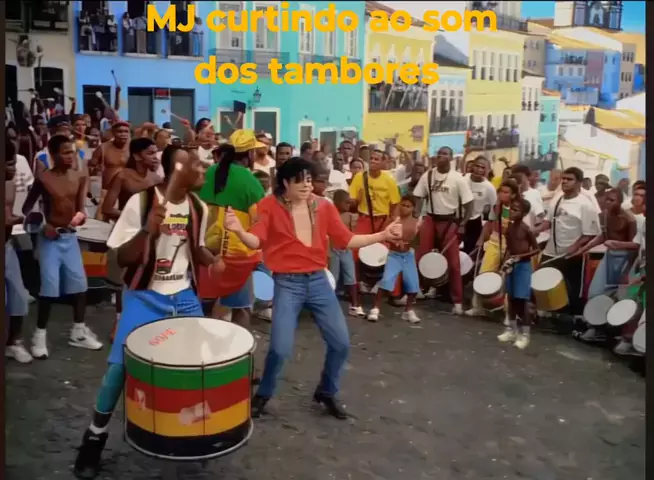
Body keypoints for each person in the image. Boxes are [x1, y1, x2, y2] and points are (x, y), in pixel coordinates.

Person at [73, 144, 224, 479]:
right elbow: (122, 258)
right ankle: (94, 438)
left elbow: (196, 247)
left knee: (196, 365)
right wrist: (147, 231)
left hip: (183, 296)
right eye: (197, 166)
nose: (204, 171)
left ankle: (185, 431)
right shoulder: (141, 203)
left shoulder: (199, 206)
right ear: (178, 169)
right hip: (145, 296)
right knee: (119, 367)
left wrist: (213, 259)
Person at [223, 157, 402, 419]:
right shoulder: (269, 206)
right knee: (280, 348)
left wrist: (383, 236)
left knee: (341, 343)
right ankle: (263, 394)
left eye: (309, 179)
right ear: (285, 183)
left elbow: (346, 240)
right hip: (287, 282)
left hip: (318, 280)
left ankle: (326, 391)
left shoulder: (323, 206)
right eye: (300, 181)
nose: (307, 185)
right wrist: (239, 230)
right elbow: (256, 241)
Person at [22, 135, 100, 359]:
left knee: (80, 285)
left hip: (70, 237)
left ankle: (78, 332)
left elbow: (80, 209)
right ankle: (39, 336)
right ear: (53, 154)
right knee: (49, 288)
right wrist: (43, 226)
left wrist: (80, 217)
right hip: (50, 240)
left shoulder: (79, 176)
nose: (70, 156)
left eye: (72, 152)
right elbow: (27, 208)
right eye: (65, 152)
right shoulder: (44, 178)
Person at [198, 130, 266, 328]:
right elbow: (259, 220)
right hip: (236, 251)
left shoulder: (212, 171)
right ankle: (240, 344)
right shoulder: (250, 181)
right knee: (241, 307)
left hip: (206, 247)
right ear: (250, 154)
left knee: (212, 303)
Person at [101, 137, 161, 341]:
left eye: (156, 153)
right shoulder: (122, 176)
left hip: (149, 236)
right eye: (150, 153)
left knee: (147, 279)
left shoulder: (156, 179)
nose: (155, 157)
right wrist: (136, 218)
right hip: (126, 234)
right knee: (122, 282)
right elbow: (107, 208)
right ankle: (119, 323)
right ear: (137, 156)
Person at [534, 167, 601, 321]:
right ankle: (546, 315)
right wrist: (534, 230)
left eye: (569, 179)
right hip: (551, 251)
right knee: (543, 282)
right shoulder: (557, 198)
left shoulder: (585, 205)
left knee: (569, 289)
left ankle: (568, 320)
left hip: (571, 255)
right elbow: (548, 221)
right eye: (563, 178)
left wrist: (575, 246)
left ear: (579, 183)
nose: (564, 182)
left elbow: (590, 233)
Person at [413, 147, 473, 312]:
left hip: (450, 221)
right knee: (420, 256)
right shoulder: (428, 175)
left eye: (445, 153)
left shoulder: (458, 179)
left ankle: (457, 302)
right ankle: (416, 290)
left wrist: (463, 223)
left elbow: (469, 204)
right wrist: (416, 215)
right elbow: (418, 196)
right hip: (431, 218)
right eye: (439, 153)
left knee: (453, 263)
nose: (441, 155)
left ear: (451, 158)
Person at [465, 180, 519, 318]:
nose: (502, 195)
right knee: (483, 273)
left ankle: (508, 312)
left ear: (513, 195)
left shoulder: (518, 209)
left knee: (507, 278)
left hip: (511, 245)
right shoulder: (496, 207)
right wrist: (481, 239)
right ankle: (477, 306)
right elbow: (489, 224)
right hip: (495, 243)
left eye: (506, 192)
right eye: (500, 191)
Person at [367, 195, 421, 324]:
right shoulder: (393, 220)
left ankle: (408, 310)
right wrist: (395, 241)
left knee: (413, 284)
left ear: (413, 208)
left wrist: (410, 244)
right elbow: (384, 236)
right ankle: (375, 308)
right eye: (403, 205)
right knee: (386, 281)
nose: (404, 208)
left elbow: (417, 241)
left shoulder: (416, 222)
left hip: (408, 256)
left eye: (408, 206)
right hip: (394, 255)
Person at [576, 188, 638, 299]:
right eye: (607, 199)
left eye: (612, 200)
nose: (608, 202)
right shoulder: (605, 215)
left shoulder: (629, 219)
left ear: (619, 202)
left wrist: (618, 245)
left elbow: (635, 246)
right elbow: (603, 236)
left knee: (620, 294)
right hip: (609, 255)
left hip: (625, 258)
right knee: (595, 292)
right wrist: (584, 248)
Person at [497, 198, 540, 349]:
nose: (512, 212)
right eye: (511, 209)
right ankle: (512, 330)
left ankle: (525, 335)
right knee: (511, 299)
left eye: (516, 210)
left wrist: (520, 257)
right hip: (511, 265)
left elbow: (536, 249)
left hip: (523, 266)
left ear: (524, 213)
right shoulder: (509, 228)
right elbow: (509, 248)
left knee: (523, 301)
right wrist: (504, 262)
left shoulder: (526, 229)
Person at [5, 141, 32, 363]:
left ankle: (14, 343)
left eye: (14, 163)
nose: (13, 168)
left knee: (18, 296)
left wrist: (19, 220)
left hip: (7, 246)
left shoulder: (10, 184)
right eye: (8, 164)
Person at [330, 189, 364, 317]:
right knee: (332, 278)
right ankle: (329, 305)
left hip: (346, 249)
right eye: (346, 202)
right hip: (333, 250)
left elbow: (351, 233)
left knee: (351, 277)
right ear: (337, 202)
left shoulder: (349, 216)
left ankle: (355, 305)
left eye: (350, 202)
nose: (349, 205)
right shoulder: (330, 215)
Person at [88, 121, 130, 220]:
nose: (123, 134)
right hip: (107, 190)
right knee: (101, 222)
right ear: (113, 133)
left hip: (127, 191)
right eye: (120, 131)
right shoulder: (103, 148)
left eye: (126, 131)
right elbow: (89, 168)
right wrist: (96, 171)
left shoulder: (133, 148)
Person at [463, 156, 496, 254]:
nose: (479, 170)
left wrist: (483, 236)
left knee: (470, 255)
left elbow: (496, 209)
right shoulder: (463, 180)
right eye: (477, 166)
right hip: (457, 220)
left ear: (487, 170)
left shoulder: (489, 187)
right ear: (472, 166)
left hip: (474, 223)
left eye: (483, 167)